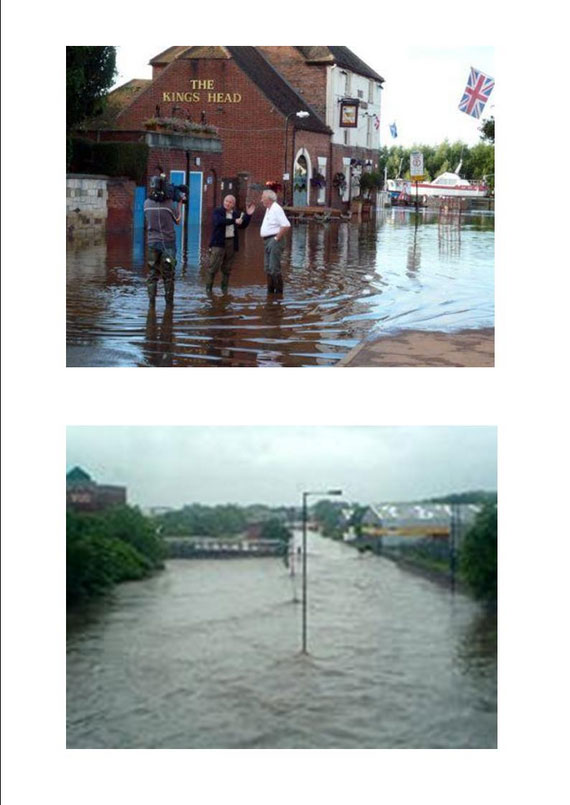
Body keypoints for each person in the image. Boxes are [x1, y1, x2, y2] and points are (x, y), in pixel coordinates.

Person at [144, 174, 185, 306]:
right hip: (168, 244)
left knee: (152, 274)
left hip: (152, 244)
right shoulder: (169, 204)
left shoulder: (146, 203)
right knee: (168, 275)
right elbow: (178, 220)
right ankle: (169, 305)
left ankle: (151, 304)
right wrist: (179, 203)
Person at [207, 195, 255, 293]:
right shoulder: (218, 211)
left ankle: (224, 290)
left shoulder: (235, 214)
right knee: (213, 267)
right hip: (218, 243)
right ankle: (208, 289)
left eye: (230, 202)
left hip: (231, 242)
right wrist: (234, 221)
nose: (227, 204)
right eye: (226, 201)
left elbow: (242, 225)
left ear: (233, 204)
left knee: (227, 268)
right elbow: (218, 222)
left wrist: (249, 215)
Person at [260, 189, 290, 294]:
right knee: (268, 267)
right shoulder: (269, 209)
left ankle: (278, 294)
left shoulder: (276, 209)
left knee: (274, 268)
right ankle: (270, 292)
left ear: (268, 199)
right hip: (268, 240)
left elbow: (286, 225)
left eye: (262, 198)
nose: (261, 200)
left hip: (275, 240)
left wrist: (276, 239)